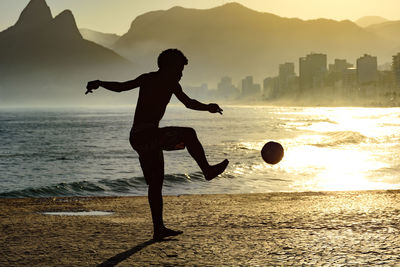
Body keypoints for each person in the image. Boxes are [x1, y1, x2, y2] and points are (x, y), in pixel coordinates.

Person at [86, 49, 229, 241]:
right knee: (189, 133)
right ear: (168, 66)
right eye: (179, 69)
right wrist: (101, 83)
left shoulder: (165, 82)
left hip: (140, 137)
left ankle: (158, 229)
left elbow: (188, 102)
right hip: (146, 135)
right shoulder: (154, 80)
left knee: (156, 183)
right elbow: (122, 87)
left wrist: (207, 107)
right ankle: (207, 171)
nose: (181, 73)